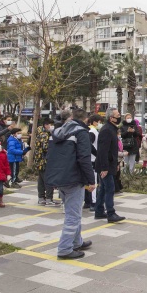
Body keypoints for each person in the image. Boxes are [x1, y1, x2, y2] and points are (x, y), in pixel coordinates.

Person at [45, 108, 96, 260]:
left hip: (60, 177)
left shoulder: (57, 132)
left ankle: (76, 241)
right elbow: (84, 158)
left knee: (73, 211)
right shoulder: (81, 133)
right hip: (74, 177)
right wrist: (90, 180)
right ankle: (65, 248)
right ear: (86, 119)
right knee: (73, 215)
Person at [94, 107, 125, 223]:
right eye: (117, 115)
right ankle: (111, 213)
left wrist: (115, 163)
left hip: (109, 164)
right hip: (104, 166)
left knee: (103, 189)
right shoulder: (107, 130)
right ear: (111, 118)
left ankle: (99, 210)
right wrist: (105, 168)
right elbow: (103, 151)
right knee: (110, 189)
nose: (119, 117)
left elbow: (112, 150)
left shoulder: (112, 129)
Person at [34, 118, 60, 206]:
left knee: (41, 180)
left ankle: (41, 198)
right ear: (46, 125)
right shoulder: (45, 135)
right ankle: (49, 199)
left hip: (39, 161)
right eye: (50, 125)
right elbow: (46, 148)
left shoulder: (40, 133)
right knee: (49, 180)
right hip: (45, 161)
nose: (52, 127)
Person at [84, 114, 102, 211]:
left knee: (89, 182)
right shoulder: (92, 132)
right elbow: (89, 145)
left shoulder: (92, 131)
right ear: (95, 122)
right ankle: (93, 202)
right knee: (93, 181)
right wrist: (97, 154)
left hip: (92, 159)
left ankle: (88, 202)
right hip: (92, 159)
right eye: (99, 121)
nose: (100, 123)